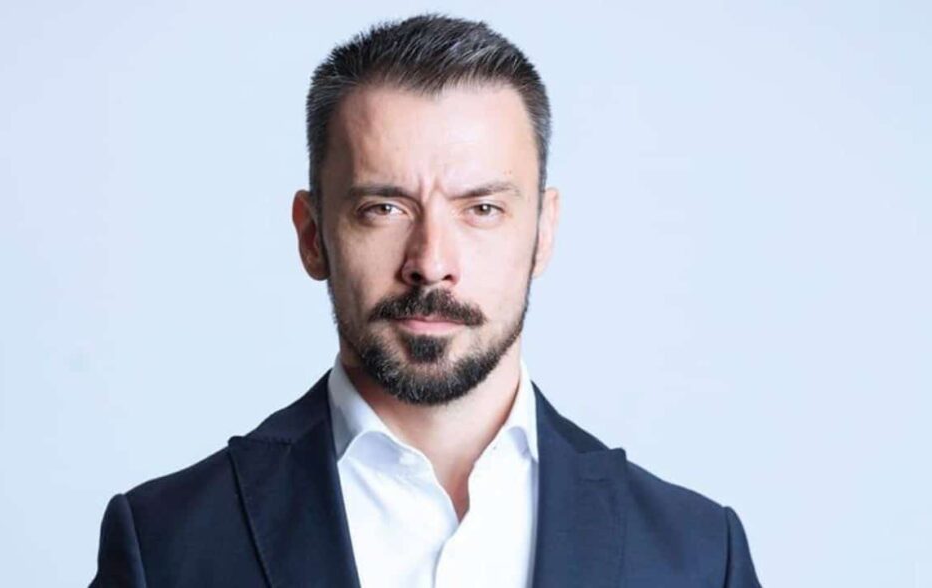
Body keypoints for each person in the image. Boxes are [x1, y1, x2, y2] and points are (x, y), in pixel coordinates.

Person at [90, 14, 761, 588]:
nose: (431, 262)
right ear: (312, 236)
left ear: (543, 233)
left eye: (482, 208)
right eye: (383, 208)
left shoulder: (701, 556)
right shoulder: (165, 545)